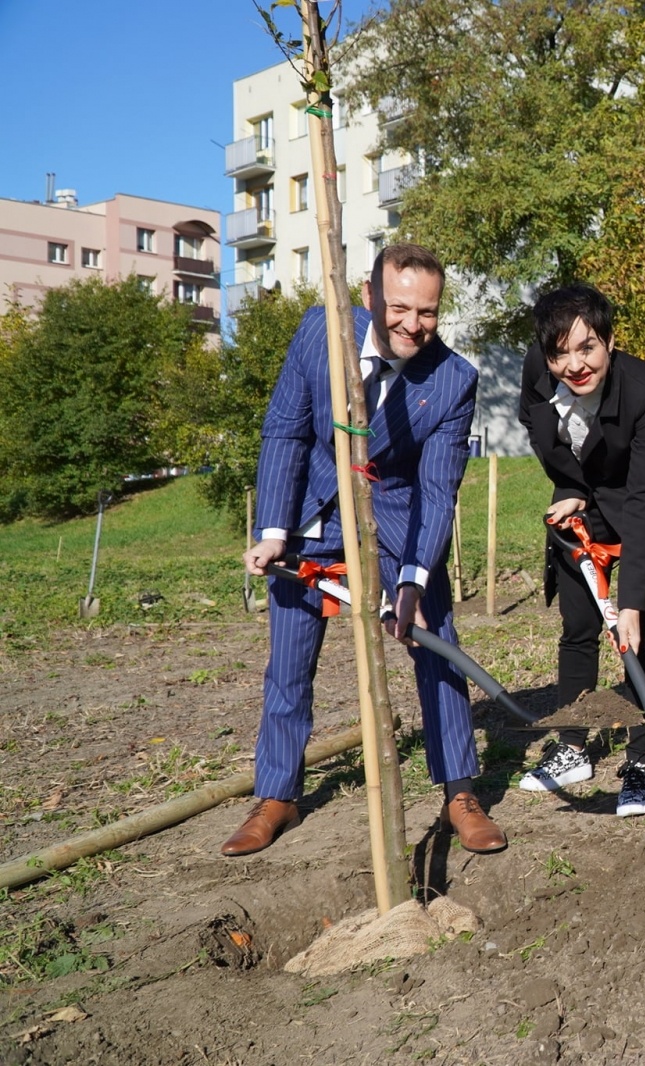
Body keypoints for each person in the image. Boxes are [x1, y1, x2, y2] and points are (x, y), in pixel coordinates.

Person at [224, 243, 506, 856]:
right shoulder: (321, 332)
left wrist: (412, 581)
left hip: (398, 518)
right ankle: (277, 795)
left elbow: (437, 488)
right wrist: (273, 530)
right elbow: (286, 430)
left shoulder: (453, 379)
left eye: (427, 312)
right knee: (288, 664)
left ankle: (459, 791)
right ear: (372, 295)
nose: (413, 324)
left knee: (436, 645)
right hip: (314, 511)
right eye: (400, 308)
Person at [515, 284, 645, 816]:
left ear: (609, 339)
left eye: (588, 348)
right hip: (584, 498)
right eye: (561, 353)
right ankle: (572, 747)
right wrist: (569, 484)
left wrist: (629, 602)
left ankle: (644, 761)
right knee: (578, 625)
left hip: (641, 500)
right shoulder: (538, 369)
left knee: (639, 628)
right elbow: (534, 422)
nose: (575, 364)